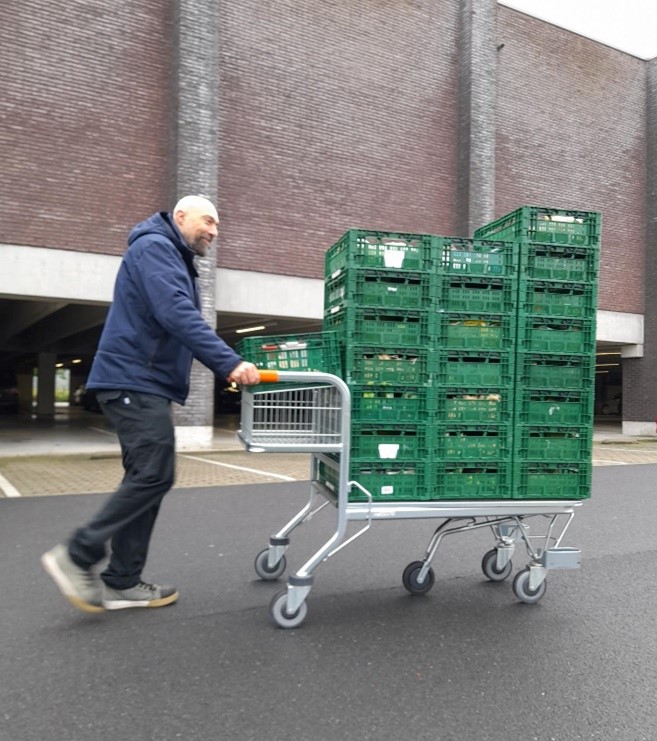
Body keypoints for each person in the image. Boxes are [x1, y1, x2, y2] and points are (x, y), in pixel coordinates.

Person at [41, 195, 261, 613]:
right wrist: (228, 362)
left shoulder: (169, 253)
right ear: (180, 216)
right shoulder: (156, 247)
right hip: (133, 382)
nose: (214, 231)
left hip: (142, 383)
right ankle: (77, 554)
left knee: (147, 479)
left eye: (217, 226)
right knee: (154, 475)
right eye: (208, 221)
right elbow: (175, 312)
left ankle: (122, 580)